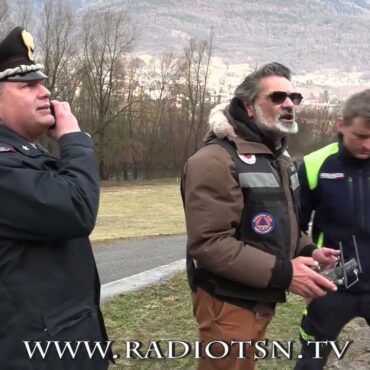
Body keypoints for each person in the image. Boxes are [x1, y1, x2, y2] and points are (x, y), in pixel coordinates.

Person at [181, 62, 339, 370]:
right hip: (227, 302)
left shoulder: (279, 158)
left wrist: (308, 250)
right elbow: (211, 244)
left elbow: (283, 221)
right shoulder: (215, 159)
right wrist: (286, 273)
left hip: (260, 297)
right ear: (248, 107)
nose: (289, 103)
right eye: (277, 97)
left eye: (294, 97)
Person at [0, 27, 110, 369]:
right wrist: (74, 140)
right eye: (27, 85)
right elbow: (76, 208)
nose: (45, 92)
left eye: (42, 82)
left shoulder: (23, 154)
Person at [294, 89, 370, 369]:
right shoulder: (315, 165)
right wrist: (304, 265)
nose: (368, 145)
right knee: (310, 361)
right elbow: (295, 226)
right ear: (341, 125)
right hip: (332, 283)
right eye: (361, 136)